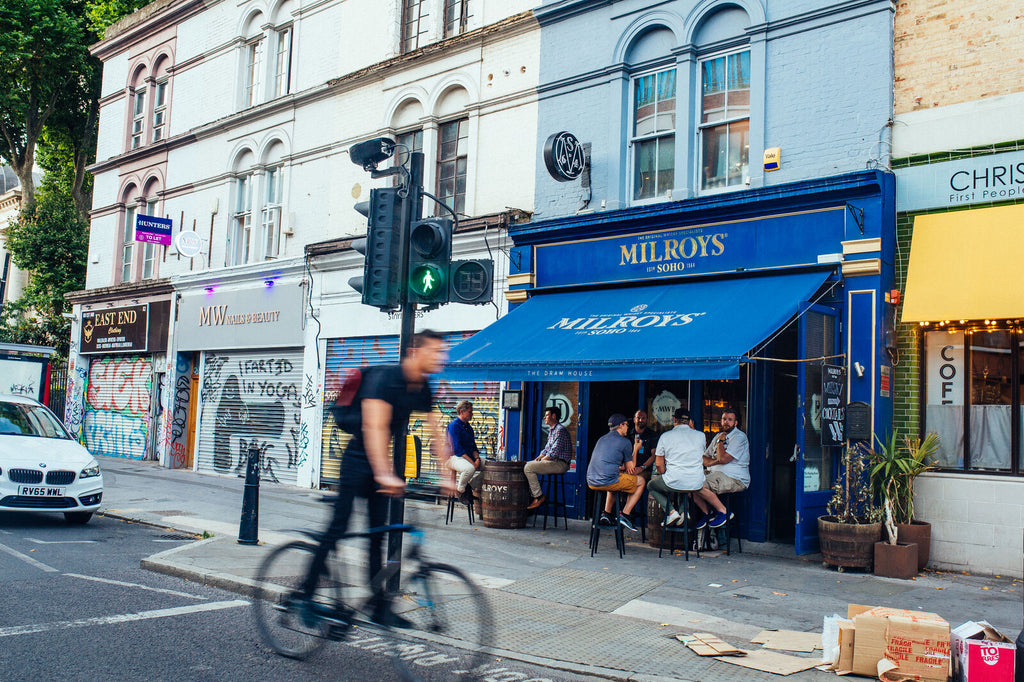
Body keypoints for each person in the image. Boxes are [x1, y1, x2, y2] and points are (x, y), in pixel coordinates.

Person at [300, 329, 453, 627]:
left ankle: (378, 606)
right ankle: (305, 594)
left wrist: (447, 475)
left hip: (381, 465)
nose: (440, 358)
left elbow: (436, 432)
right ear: (414, 351)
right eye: (435, 352)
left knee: (377, 535)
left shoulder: (421, 387)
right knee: (338, 529)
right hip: (357, 461)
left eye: (442, 352)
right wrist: (385, 474)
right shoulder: (386, 379)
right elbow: (375, 428)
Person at [649, 406, 728, 527]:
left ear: (675, 420)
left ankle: (671, 512)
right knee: (686, 488)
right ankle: (683, 512)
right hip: (696, 482)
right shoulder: (701, 436)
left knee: (651, 486)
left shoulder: (665, 436)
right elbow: (698, 455)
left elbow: (659, 465)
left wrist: (664, 474)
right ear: (690, 421)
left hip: (674, 480)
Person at [586, 413, 645, 532]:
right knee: (641, 481)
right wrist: (636, 449)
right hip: (608, 480)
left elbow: (610, 463)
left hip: (591, 481)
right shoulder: (625, 442)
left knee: (615, 481)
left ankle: (606, 514)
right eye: (627, 425)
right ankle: (625, 515)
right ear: (620, 425)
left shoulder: (601, 439)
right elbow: (631, 468)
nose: (628, 427)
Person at [692, 407, 750, 529]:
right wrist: (715, 461)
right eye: (724, 419)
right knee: (688, 481)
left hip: (734, 478)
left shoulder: (740, 437)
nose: (726, 422)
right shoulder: (719, 435)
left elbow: (723, 459)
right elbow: (704, 459)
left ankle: (723, 512)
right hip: (715, 474)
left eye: (730, 420)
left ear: (736, 423)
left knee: (698, 483)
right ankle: (708, 513)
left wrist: (720, 443)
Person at [525, 405, 573, 510]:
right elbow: (546, 449)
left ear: (554, 416)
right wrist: (537, 459)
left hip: (560, 463)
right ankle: (534, 496)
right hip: (554, 461)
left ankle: (538, 497)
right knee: (526, 465)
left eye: (546, 415)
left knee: (528, 468)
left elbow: (553, 453)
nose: (544, 417)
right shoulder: (553, 430)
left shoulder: (560, 430)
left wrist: (541, 460)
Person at [446, 400, 483, 506]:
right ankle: (460, 491)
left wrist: (477, 460)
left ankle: (470, 485)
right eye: (470, 412)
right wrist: (473, 463)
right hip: (453, 457)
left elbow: (473, 447)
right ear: (462, 412)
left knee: (490, 467)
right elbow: (457, 449)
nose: (472, 414)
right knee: (469, 468)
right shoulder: (454, 426)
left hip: (466, 457)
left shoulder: (469, 428)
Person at [631, 409, 660, 481]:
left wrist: (642, 467)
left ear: (647, 420)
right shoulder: (628, 434)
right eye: (638, 418)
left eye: (643, 418)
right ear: (634, 419)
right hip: (629, 468)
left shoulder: (652, 435)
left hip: (645, 470)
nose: (641, 420)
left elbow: (654, 455)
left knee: (635, 480)